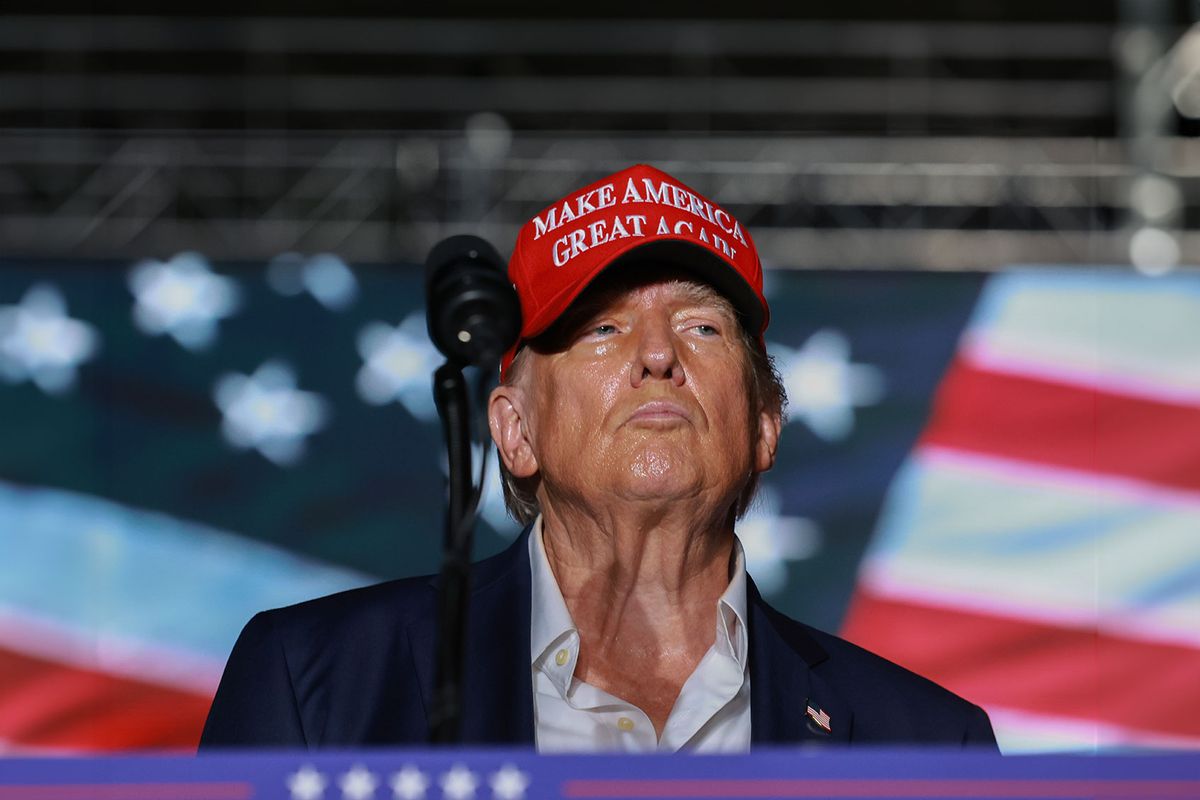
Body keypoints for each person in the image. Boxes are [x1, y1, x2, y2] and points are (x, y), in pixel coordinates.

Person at [200, 164, 997, 751]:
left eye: (703, 328)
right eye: (602, 330)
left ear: (763, 424)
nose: (657, 354)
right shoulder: (315, 685)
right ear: (516, 432)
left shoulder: (926, 744)